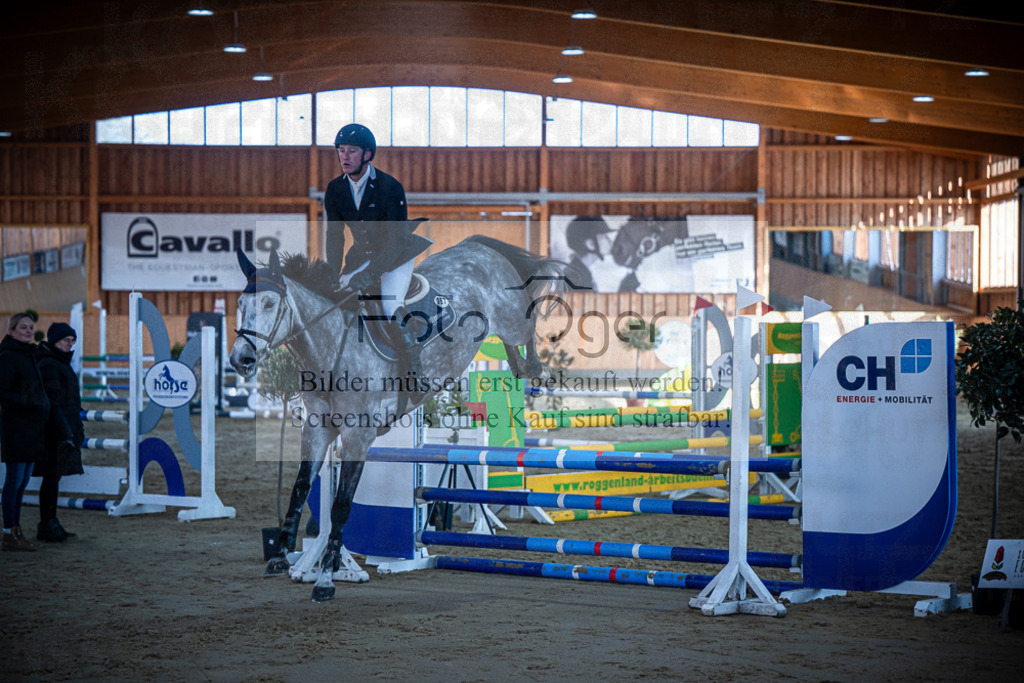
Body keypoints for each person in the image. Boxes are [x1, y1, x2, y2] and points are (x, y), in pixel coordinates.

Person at [323, 123, 432, 381]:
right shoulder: (335, 189)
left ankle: (413, 366)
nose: (345, 157)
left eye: (351, 151)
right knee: (335, 298)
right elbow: (334, 236)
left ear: (367, 155)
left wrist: (372, 274)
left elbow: (395, 241)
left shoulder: (389, 187)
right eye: (341, 151)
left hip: (397, 254)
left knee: (389, 302)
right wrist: (331, 274)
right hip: (360, 256)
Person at [0, 312, 50, 551]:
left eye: (31, 327)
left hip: (32, 427)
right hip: (17, 426)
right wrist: (31, 402)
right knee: (14, 480)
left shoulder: (29, 354)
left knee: (22, 481)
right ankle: (8, 531)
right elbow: (3, 393)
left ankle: (16, 529)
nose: (29, 330)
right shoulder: (8, 356)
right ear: (11, 330)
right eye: (23, 327)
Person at [34, 322, 83, 542]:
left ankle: (51, 522)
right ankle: (47, 523)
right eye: (66, 340)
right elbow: (53, 403)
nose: (70, 344)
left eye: (72, 341)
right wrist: (65, 433)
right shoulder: (50, 364)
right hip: (55, 431)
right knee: (51, 478)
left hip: (63, 427)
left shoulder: (59, 362)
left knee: (54, 478)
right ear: (55, 341)